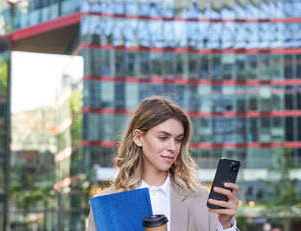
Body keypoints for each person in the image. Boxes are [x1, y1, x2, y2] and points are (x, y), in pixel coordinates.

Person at [86, 97, 240, 230]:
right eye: (163, 138)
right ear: (138, 138)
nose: (173, 148)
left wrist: (225, 224)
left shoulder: (201, 199)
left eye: (178, 140)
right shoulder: (107, 204)